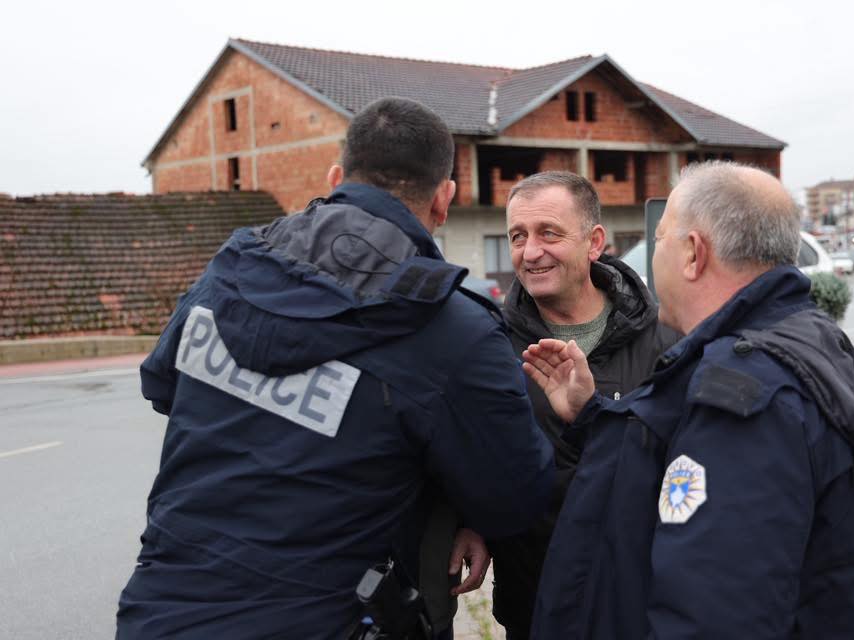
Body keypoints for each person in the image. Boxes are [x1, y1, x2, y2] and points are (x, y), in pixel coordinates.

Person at [115, 97, 555, 640]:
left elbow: (162, 384)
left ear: (335, 176)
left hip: (160, 612)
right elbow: (514, 496)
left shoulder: (232, 269)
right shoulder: (450, 329)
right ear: (444, 200)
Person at [522, 161, 854, 639]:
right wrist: (593, 417)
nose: (652, 257)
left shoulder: (745, 403)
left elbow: (713, 614)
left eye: (661, 238)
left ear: (693, 253)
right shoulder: (795, 341)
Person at [487, 171, 677, 640]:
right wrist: (466, 522)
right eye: (518, 236)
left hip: (639, 594)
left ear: (594, 243)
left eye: (548, 233)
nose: (530, 253)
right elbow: (471, 449)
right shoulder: (489, 344)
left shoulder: (666, 340)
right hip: (534, 598)